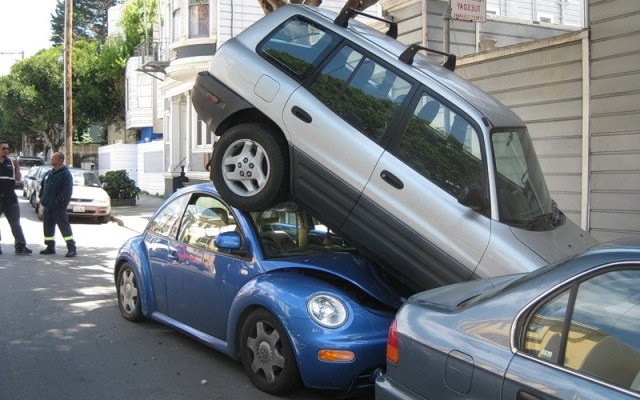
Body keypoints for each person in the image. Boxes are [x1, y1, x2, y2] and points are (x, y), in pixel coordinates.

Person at [39, 152, 76, 257]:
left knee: (64, 227)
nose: (51, 159)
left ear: (60, 160)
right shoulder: (49, 173)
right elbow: (43, 186)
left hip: (58, 207)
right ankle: (50, 247)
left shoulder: (65, 174)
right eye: (52, 157)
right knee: (48, 227)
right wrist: (42, 198)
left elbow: (67, 190)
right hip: (48, 206)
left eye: (54, 158)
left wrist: (58, 201)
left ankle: (71, 248)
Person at [0, 141, 33, 255]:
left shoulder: (11, 162)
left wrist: (17, 167)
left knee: (15, 223)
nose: (6, 151)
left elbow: (18, 178)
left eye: (7, 148)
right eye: (3, 148)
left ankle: (20, 246)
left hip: (10, 199)